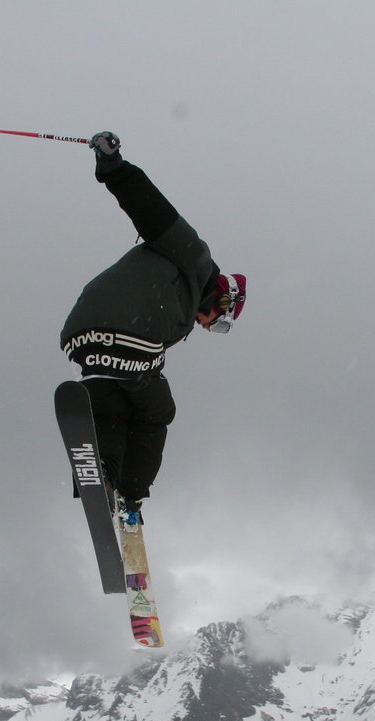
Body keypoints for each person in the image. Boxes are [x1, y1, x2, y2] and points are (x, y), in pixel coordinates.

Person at [58, 131, 245, 521]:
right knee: (158, 411)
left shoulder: (180, 295)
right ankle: (130, 497)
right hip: (131, 334)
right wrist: (113, 165)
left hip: (81, 336)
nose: (208, 328)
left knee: (112, 408)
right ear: (223, 300)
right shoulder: (195, 259)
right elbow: (150, 207)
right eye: (219, 325)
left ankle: (101, 476)